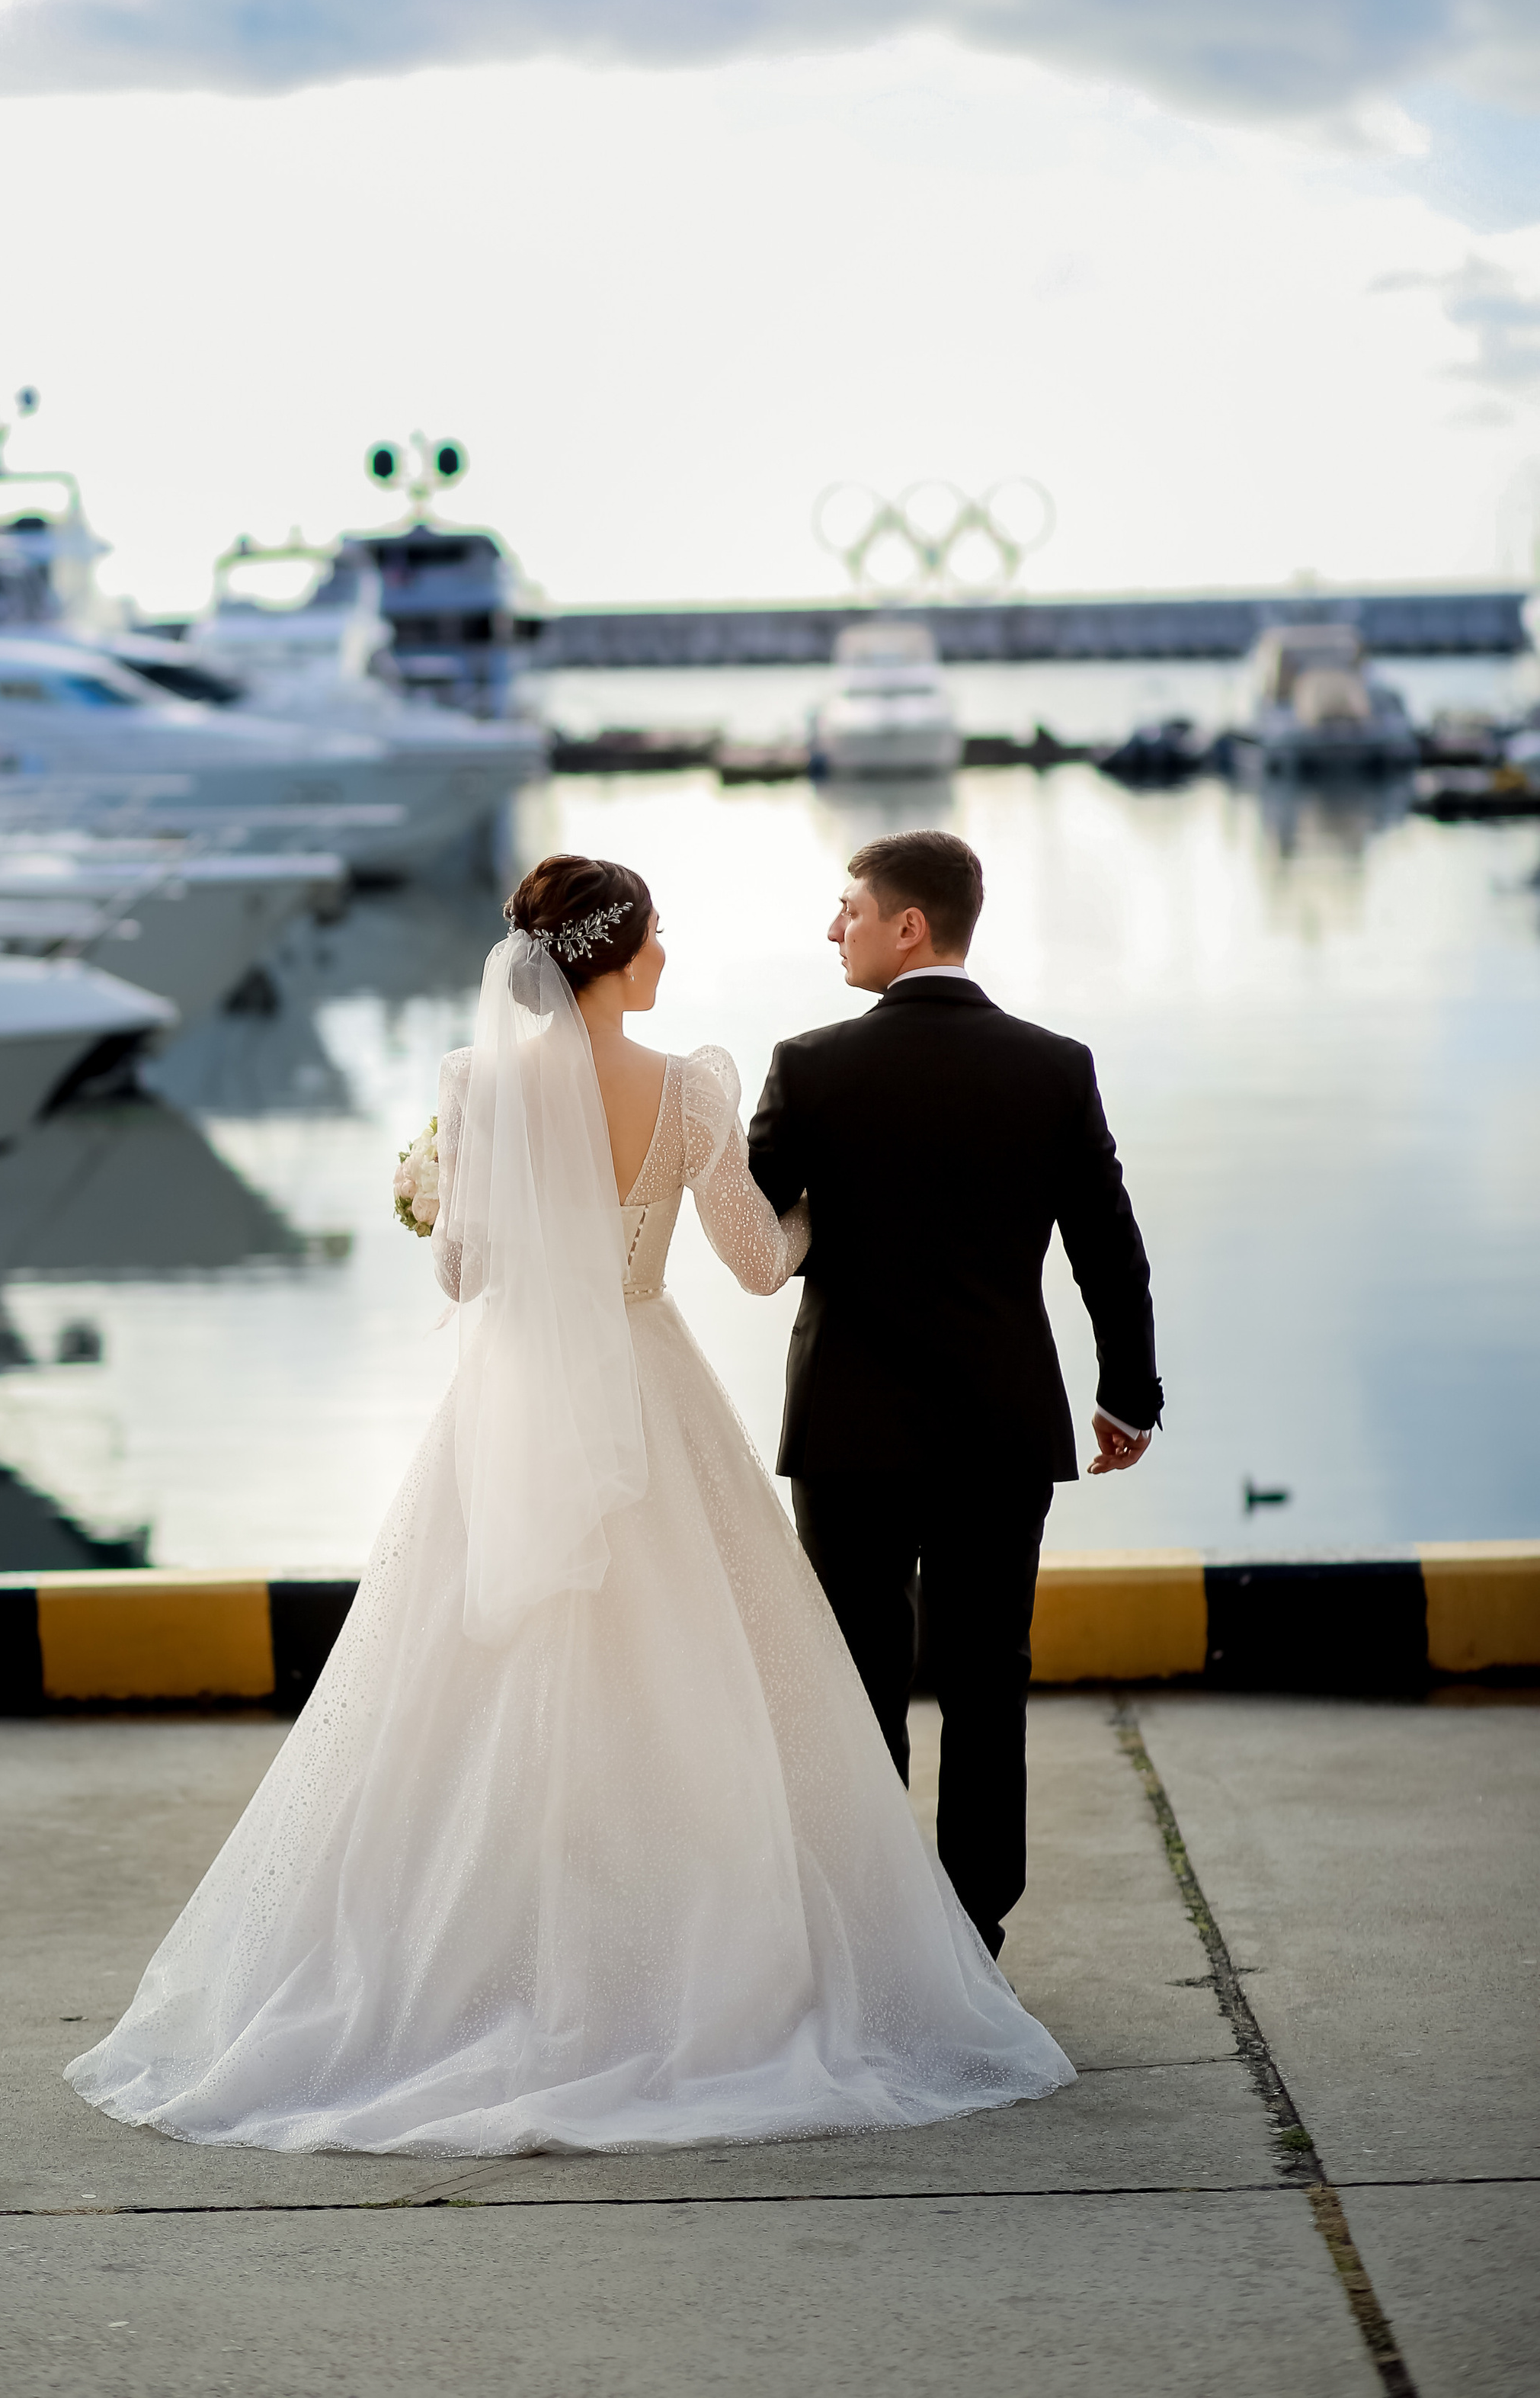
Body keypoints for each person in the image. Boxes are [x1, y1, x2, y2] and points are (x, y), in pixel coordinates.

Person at [67, 854, 1074, 2156]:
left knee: (470, 1686)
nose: (668, 954)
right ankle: (712, 1967)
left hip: (516, 1410)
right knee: (703, 1684)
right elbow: (765, 1265)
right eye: (659, 935)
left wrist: (436, 1189)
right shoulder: (695, 1091)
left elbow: (468, 1267)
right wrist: (832, 1213)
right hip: (654, 1388)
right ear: (619, 952)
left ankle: (494, 1971)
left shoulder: (477, 1085)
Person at [748, 829, 1161, 1958]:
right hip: (999, 1422)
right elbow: (1108, 1249)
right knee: (988, 1681)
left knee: (857, 1684)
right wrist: (1128, 1393)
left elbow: (749, 1226)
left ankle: (877, 1935)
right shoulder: (1053, 1065)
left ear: (908, 926)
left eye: (849, 910)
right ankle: (975, 1931)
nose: (834, 929)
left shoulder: (810, 1066)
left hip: (848, 1427)